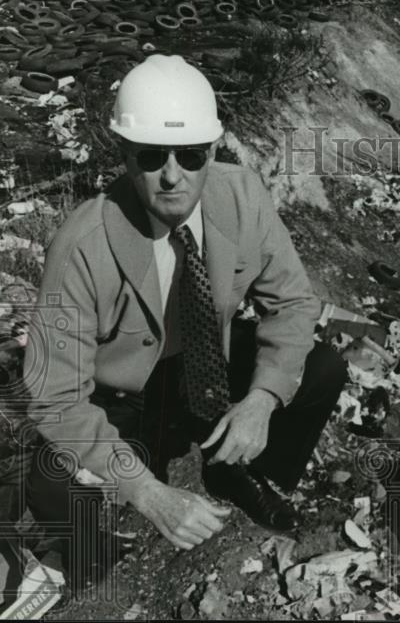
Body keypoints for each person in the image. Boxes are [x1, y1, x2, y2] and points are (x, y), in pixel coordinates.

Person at [18, 54, 347, 587]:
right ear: (125, 156)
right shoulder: (81, 245)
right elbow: (54, 399)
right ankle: (96, 560)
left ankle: (237, 470)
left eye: (191, 155)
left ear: (212, 150)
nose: (173, 175)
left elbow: (292, 303)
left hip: (204, 365)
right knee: (55, 483)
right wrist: (148, 493)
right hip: (122, 394)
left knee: (323, 369)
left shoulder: (240, 195)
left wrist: (261, 401)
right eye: (152, 157)